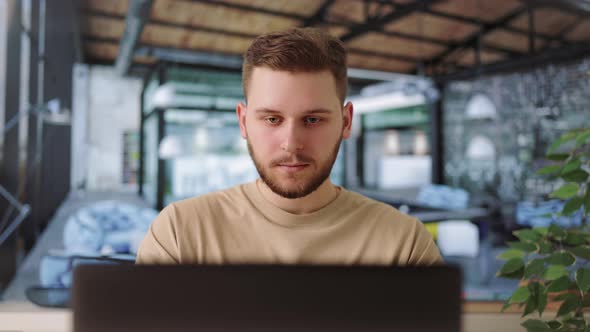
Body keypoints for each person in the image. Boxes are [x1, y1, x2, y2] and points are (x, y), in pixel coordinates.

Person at [136, 27, 442, 266]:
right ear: (243, 122)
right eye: (271, 119)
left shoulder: (404, 245)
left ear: (346, 122)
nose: (291, 143)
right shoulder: (179, 234)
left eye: (312, 119)